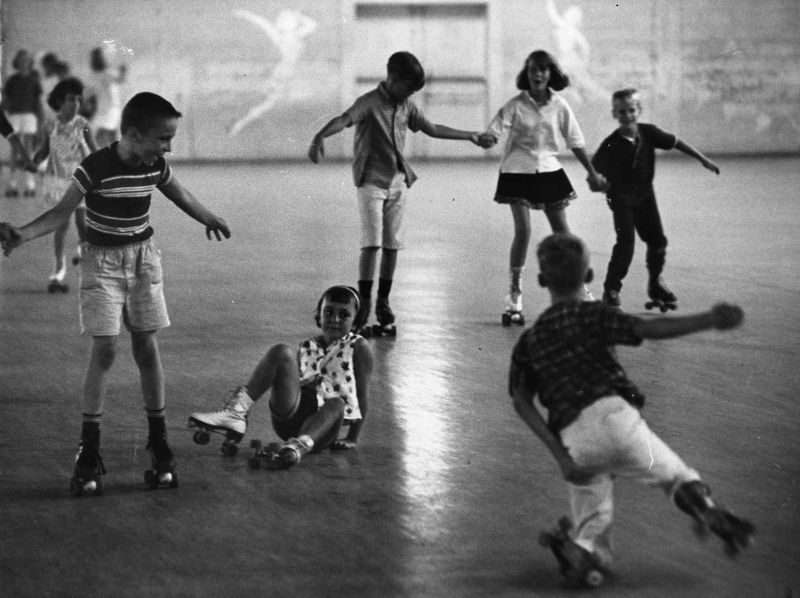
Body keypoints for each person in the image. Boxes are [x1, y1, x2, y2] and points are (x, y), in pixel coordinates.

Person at [1, 92, 231, 495]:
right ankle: (89, 447)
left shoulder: (155, 165)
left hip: (143, 262)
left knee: (147, 349)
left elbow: (179, 194)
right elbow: (59, 214)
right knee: (105, 349)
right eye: (163, 139)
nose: (169, 148)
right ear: (135, 135)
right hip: (101, 265)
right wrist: (20, 235)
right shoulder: (95, 167)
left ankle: (158, 440)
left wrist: (207, 216)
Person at [508, 233, 754, 581]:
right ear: (589, 276)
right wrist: (708, 319)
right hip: (620, 420)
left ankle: (582, 551)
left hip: (575, 441)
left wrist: (562, 458)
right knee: (677, 478)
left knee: (592, 520)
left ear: (540, 280)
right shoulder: (596, 315)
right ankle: (705, 509)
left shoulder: (528, 341)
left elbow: (521, 401)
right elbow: (649, 328)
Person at [308, 51, 488, 333]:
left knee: (392, 244)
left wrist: (470, 135)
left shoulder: (407, 106)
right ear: (393, 79)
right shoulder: (369, 102)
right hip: (370, 181)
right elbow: (344, 119)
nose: (411, 94)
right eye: (409, 88)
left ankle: (383, 300)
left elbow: (431, 128)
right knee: (371, 243)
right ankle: (364, 303)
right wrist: (320, 135)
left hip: (397, 181)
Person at [481, 50, 605, 324]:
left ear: (551, 74)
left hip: (549, 171)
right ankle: (514, 294)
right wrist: (488, 138)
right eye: (532, 70)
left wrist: (593, 173)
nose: (537, 74)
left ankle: (579, 288)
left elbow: (575, 141)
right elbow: (495, 128)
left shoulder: (560, 105)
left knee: (564, 235)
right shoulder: (515, 104)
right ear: (527, 74)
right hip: (517, 171)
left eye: (543, 69)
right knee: (523, 231)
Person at [188, 285, 373, 469]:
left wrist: (352, 438)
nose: (335, 319)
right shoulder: (308, 345)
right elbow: (295, 383)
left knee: (336, 403)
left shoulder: (358, 346)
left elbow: (362, 396)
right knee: (282, 352)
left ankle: (298, 446)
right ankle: (237, 413)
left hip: (321, 428)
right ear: (319, 315)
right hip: (290, 417)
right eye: (329, 312)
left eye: (344, 315)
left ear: (356, 322)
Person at [589, 88, 720, 309]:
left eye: (631, 110)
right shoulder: (610, 144)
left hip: (645, 197)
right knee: (626, 243)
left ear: (638, 110)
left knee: (657, 241)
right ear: (615, 114)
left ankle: (655, 283)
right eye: (622, 112)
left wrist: (702, 159)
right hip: (620, 199)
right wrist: (597, 184)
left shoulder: (648, 133)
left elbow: (676, 142)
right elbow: (593, 175)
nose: (627, 115)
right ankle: (611, 290)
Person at [28, 77, 98, 292]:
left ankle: (86, 266)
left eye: (78, 99)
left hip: (80, 181)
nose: (76, 103)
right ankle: (58, 270)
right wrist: (33, 162)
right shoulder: (49, 124)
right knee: (61, 226)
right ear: (59, 100)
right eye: (70, 98)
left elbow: (95, 151)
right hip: (57, 182)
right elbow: (43, 151)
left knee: (83, 226)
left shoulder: (84, 126)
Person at [1, 49, 43, 197]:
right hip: (14, 116)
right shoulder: (12, 80)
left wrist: (41, 123)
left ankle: (29, 183)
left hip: (29, 116)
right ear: (17, 62)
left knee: (28, 150)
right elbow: (6, 101)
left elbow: (38, 103)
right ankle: (12, 184)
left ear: (30, 63)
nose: (24, 62)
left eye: (26, 60)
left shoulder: (34, 80)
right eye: (21, 60)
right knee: (14, 150)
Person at [83, 45, 127, 148]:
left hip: (110, 110)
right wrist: (123, 71)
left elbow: (120, 79)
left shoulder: (106, 74)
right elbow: (88, 93)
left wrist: (123, 71)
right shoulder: (98, 75)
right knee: (105, 137)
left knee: (102, 136)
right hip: (104, 111)